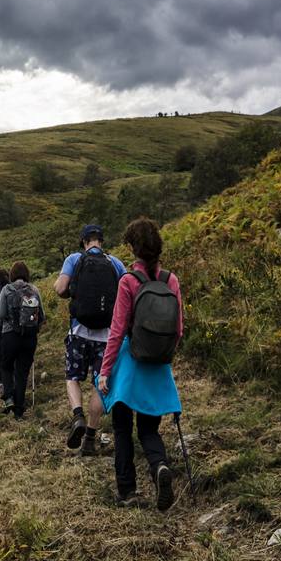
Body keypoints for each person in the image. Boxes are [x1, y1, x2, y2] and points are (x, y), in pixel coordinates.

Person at [98, 218, 185, 510]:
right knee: (149, 429)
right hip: (157, 366)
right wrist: (161, 354)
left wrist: (104, 372)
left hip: (129, 364)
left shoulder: (128, 281)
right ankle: (159, 466)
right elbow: (179, 330)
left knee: (122, 429)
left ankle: (128, 491)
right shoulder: (171, 280)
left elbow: (117, 330)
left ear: (132, 248)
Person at [55, 224, 127, 456]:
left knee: (72, 377)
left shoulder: (75, 259)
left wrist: (73, 291)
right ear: (101, 241)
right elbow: (126, 292)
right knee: (100, 383)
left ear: (84, 242)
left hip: (79, 331)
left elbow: (59, 289)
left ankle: (78, 416)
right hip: (107, 336)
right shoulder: (115, 263)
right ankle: (90, 438)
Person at [0, 262, 44, 418]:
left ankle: (9, 397)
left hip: (10, 335)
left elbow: (1, 314)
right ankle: (19, 410)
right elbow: (41, 316)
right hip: (29, 337)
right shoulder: (34, 289)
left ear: (12, 275)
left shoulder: (6, 290)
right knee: (22, 372)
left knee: (6, 366)